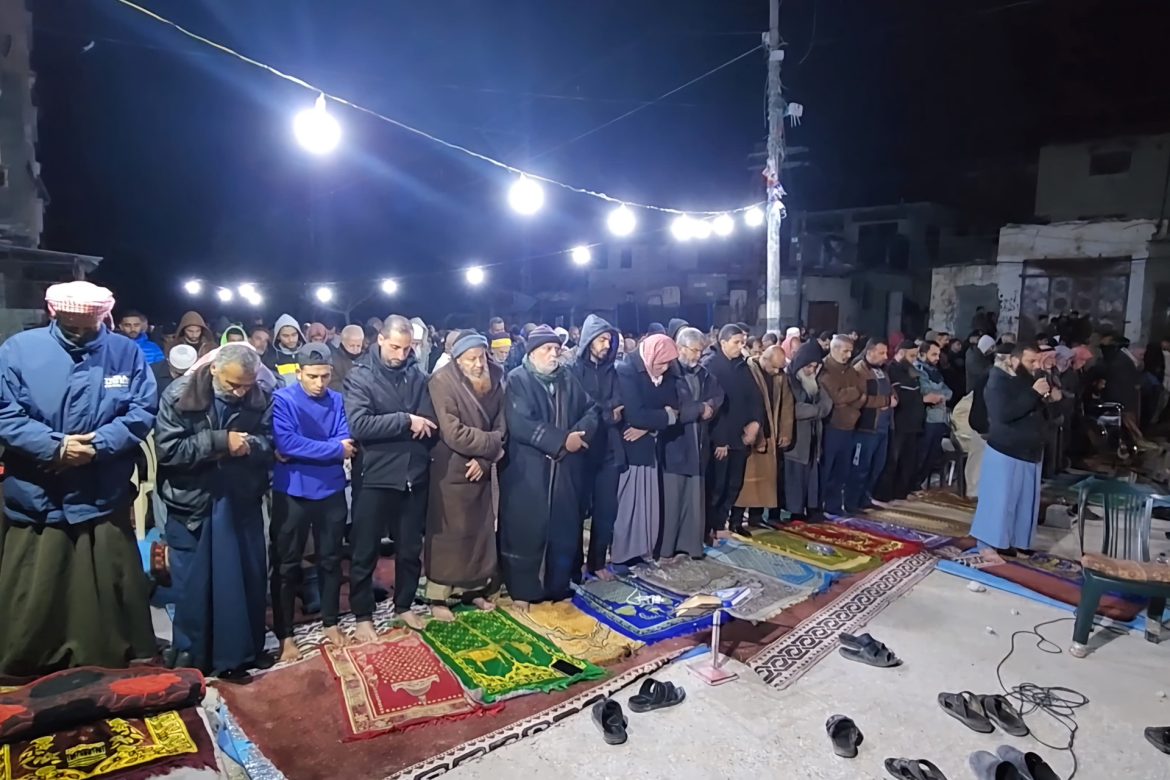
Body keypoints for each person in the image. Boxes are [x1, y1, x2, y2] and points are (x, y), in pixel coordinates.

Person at [0, 282, 157, 677]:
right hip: (39, 489)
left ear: (103, 316)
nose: (81, 331)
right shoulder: (19, 351)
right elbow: (5, 413)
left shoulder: (125, 353)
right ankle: (27, 660)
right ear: (54, 312)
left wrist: (98, 445)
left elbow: (141, 410)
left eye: (89, 324)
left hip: (101, 488)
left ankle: (112, 651)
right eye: (73, 323)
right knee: (35, 583)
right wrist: (54, 447)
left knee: (110, 578)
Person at [155, 343, 274, 677]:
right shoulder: (179, 395)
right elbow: (169, 450)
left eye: (245, 386)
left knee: (247, 580)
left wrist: (248, 445)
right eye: (232, 385)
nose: (238, 393)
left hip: (240, 499)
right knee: (196, 586)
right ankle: (194, 658)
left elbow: (270, 441)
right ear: (213, 370)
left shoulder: (259, 394)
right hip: (193, 501)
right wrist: (220, 442)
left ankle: (243, 653)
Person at [344, 315, 437, 635]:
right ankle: (363, 616)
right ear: (380, 339)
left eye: (407, 348)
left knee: (410, 548)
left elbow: (429, 421)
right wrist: (404, 421)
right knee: (365, 549)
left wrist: (410, 423)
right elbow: (360, 425)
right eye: (395, 347)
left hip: (413, 473)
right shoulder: (361, 376)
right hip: (374, 474)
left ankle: (405, 605)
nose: (400, 354)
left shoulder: (418, 375)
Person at [499, 326, 598, 606]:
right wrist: (562, 441)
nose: (554, 354)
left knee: (563, 528)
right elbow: (520, 423)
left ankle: (558, 585)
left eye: (556, 349)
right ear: (532, 352)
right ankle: (524, 589)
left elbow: (591, 410)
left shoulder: (567, 377)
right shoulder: (517, 380)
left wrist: (579, 436)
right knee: (526, 531)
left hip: (565, 471)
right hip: (527, 472)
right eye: (547, 349)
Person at [269, 343, 352, 662]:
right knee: (286, 565)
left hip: (330, 490)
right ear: (299, 373)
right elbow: (285, 442)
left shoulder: (338, 400)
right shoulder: (284, 399)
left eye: (326, 376)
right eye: (313, 376)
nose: (320, 383)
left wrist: (305, 450)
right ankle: (286, 635)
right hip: (292, 491)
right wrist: (332, 449)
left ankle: (331, 622)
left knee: (331, 560)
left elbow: (347, 439)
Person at [425, 331, 506, 621]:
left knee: (479, 532)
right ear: (458, 360)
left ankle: (474, 590)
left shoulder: (496, 376)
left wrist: (485, 459)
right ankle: (439, 598)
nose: (477, 364)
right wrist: (491, 444)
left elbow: (502, 424)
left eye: (480, 357)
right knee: (450, 534)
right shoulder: (441, 381)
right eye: (470, 359)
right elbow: (452, 432)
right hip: (451, 467)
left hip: (481, 467)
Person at [969, 344, 1056, 556]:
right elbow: (1003, 413)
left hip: (1029, 449)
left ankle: (1015, 541)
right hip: (1005, 449)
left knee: (1024, 504)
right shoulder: (996, 380)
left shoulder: (1026, 379)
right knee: (999, 502)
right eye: (1030, 361)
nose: (1035, 366)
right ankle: (990, 543)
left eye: (1037, 361)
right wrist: (1034, 393)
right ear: (1014, 361)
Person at [613, 333, 679, 564]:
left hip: (650, 442)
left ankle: (643, 549)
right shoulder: (626, 370)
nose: (665, 368)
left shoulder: (667, 374)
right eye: (661, 362)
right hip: (629, 445)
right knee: (629, 501)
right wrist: (663, 417)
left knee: (648, 500)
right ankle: (624, 552)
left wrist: (649, 426)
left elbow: (674, 406)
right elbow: (635, 413)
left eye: (668, 363)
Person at [570, 314, 624, 577]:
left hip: (608, 451)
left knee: (605, 511)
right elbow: (580, 406)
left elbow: (619, 405)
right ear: (589, 340)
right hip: (581, 449)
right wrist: (605, 413)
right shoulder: (572, 370)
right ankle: (574, 564)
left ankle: (598, 562)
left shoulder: (612, 371)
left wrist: (604, 412)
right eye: (602, 339)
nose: (606, 345)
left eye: (609, 341)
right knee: (576, 511)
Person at [661, 327, 721, 557]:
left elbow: (718, 395)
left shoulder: (704, 374)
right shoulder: (669, 373)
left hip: (698, 443)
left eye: (700, 351)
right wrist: (699, 409)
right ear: (680, 348)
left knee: (693, 499)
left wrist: (711, 407)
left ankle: (690, 545)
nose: (697, 356)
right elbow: (671, 408)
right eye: (694, 350)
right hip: (675, 444)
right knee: (673, 499)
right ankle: (667, 548)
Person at [702, 324, 763, 537]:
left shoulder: (741, 366)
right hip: (720, 439)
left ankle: (720, 525)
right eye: (736, 342)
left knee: (733, 484)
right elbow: (713, 407)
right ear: (723, 342)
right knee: (716, 487)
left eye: (742, 343)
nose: (740, 347)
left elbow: (755, 396)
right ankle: (708, 528)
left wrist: (755, 423)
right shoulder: (710, 365)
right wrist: (720, 440)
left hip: (740, 437)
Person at [736, 346, 793, 527]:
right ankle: (736, 520)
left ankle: (757, 517)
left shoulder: (780, 376)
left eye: (780, 368)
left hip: (771, 433)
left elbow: (787, 404)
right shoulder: (748, 371)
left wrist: (785, 432)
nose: (777, 372)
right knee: (746, 482)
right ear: (765, 359)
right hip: (752, 434)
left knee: (765, 481)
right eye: (774, 367)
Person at [784, 342, 833, 521]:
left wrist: (814, 410)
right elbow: (794, 409)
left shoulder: (814, 382)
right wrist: (816, 410)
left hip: (813, 437)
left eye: (815, 366)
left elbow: (828, 404)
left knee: (811, 476)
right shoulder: (788, 380)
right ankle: (795, 511)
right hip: (795, 439)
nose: (811, 370)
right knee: (795, 477)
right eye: (808, 366)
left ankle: (811, 508)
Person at [818, 335, 866, 515]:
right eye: (845, 351)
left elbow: (862, 394)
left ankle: (835, 506)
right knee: (826, 469)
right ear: (835, 349)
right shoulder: (825, 368)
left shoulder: (851, 370)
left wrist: (851, 399)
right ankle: (817, 506)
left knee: (842, 470)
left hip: (850, 425)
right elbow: (836, 397)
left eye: (850, 351)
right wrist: (852, 395)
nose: (849, 355)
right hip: (831, 426)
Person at [847, 339, 894, 512]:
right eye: (881, 353)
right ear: (870, 352)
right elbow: (859, 397)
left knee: (877, 466)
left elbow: (889, 390)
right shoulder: (859, 370)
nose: (885, 356)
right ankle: (851, 502)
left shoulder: (882, 370)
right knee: (860, 467)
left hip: (883, 427)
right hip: (866, 427)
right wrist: (885, 401)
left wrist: (892, 397)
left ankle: (865, 497)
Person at [878, 341, 924, 502]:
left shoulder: (911, 370)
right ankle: (885, 495)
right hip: (899, 422)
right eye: (912, 355)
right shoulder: (892, 369)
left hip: (913, 423)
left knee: (908, 460)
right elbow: (900, 395)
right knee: (893, 460)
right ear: (902, 353)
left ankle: (901, 492)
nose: (914, 359)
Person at [915, 341, 953, 488]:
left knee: (932, 455)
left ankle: (920, 483)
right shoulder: (919, 371)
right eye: (934, 354)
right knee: (921, 455)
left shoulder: (935, 372)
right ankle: (914, 484)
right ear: (923, 354)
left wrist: (939, 396)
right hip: (927, 419)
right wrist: (938, 396)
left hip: (939, 419)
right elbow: (926, 391)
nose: (937, 358)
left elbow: (948, 392)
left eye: (938, 354)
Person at [272, 314, 307, 386]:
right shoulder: (271, 358)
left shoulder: (308, 354)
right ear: (278, 336)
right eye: (285, 336)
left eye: (294, 335)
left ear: (299, 334)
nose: (291, 340)